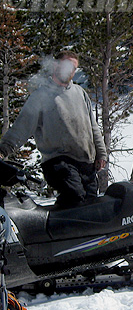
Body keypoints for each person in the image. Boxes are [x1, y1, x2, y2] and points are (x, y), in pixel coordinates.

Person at [0, 50, 107, 208]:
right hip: (58, 162)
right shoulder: (41, 96)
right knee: (75, 197)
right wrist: (3, 150)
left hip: (85, 162)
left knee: (90, 207)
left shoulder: (79, 93)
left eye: (74, 68)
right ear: (56, 65)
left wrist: (101, 152)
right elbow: (21, 128)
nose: (70, 70)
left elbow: (92, 126)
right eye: (67, 65)